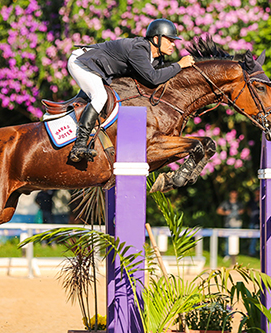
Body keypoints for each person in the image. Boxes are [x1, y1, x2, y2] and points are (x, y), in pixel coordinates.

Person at [66, 18, 195, 163]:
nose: (173, 44)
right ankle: (79, 145)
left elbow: (156, 77)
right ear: (156, 39)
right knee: (100, 96)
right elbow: (153, 78)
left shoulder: (156, 58)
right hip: (82, 62)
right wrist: (179, 65)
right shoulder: (139, 49)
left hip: (98, 70)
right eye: (170, 40)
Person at [217, 190, 245, 259]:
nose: (234, 195)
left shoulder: (239, 203)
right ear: (230, 195)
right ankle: (227, 255)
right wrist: (225, 213)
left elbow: (243, 210)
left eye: (235, 194)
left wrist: (239, 212)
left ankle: (235, 255)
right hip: (228, 223)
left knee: (236, 239)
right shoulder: (226, 203)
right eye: (232, 194)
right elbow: (218, 210)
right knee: (227, 239)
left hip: (237, 224)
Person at [246, 188, 260, 257]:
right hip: (253, 221)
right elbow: (248, 209)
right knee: (252, 238)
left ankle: (262, 252)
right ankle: (252, 252)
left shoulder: (264, 200)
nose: (257, 193)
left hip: (261, 223)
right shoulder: (251, 201)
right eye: (257, 191)